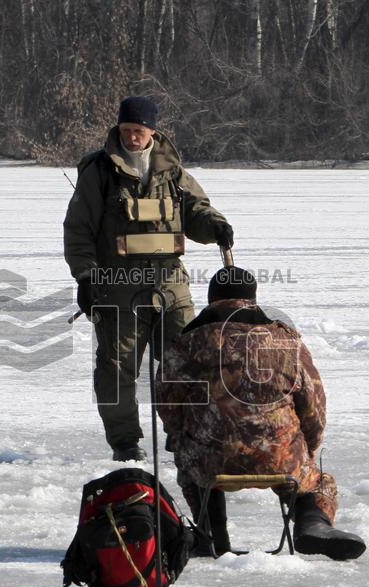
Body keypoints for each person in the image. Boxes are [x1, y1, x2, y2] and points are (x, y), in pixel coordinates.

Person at [63, 95, 234, 462]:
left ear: (152, 131)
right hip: (118, 288)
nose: (132, 138)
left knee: (186, 363)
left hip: (171, 286)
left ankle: (183, 432)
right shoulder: (100, 172)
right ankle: (125, 442)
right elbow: (78, 231)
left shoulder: (172, 171)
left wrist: (215, 225)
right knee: (116, 369)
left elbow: (196, 211)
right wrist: (86, 277)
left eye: (138, 131)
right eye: (126, 130)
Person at [156, 267, 366, 560]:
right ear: (253, 299)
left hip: (208, 465)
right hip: (281, 461)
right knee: (318, 481)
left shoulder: (185, 343)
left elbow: (167, 405)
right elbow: (314, 407)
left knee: (190, 464)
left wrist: (184, 440)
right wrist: (307, 452)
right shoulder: (287, 341)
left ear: (211, 298)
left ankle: (212, 534)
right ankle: (312, 524)